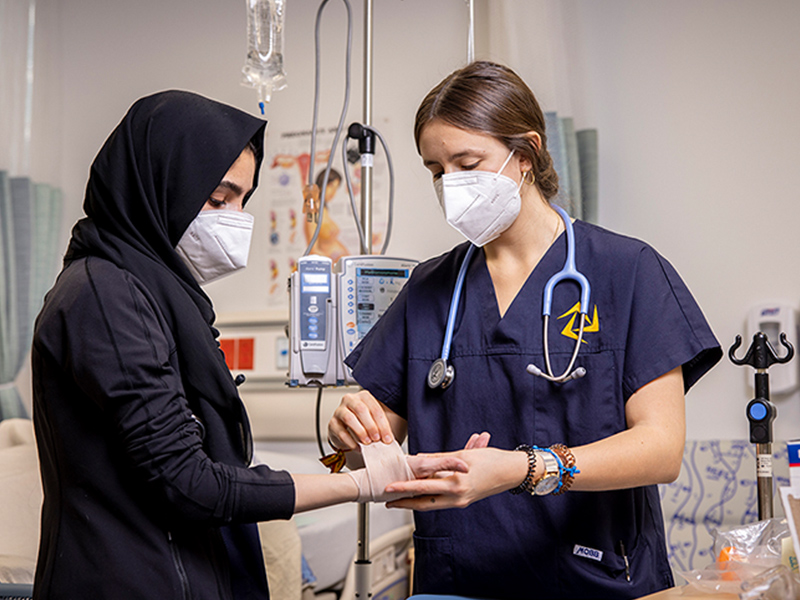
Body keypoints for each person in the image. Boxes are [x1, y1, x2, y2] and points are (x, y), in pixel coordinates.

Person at [30, 91, 466, 600]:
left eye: (243, 199)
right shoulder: (104, 297)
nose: (235, 218)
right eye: (218, 198)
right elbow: (188, 483)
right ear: (159, 184)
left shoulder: (161, 300)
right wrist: (363, 485)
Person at [328, 61, 723, 600]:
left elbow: (661, 450)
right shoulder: (428, 289)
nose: (450, 185)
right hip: (458, 583)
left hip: (596, 579)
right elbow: (373, 452)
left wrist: (521, 468)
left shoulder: (626, 272)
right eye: (436, 171)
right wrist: (350, 433)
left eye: (468, 163)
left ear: (527, 154)